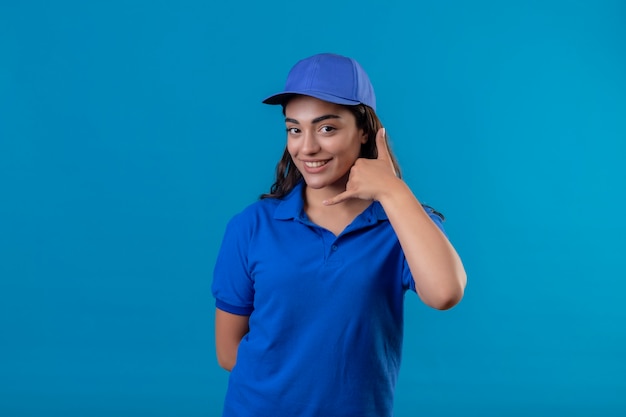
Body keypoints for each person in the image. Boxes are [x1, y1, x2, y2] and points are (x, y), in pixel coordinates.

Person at [212, 53, 466, 417]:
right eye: (294, 129)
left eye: (327, 128)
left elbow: (445, 293)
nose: (307, 147)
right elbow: (228, 352)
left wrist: (393, 191)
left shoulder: (402, 223)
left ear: (364, 130)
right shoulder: (252, 225)